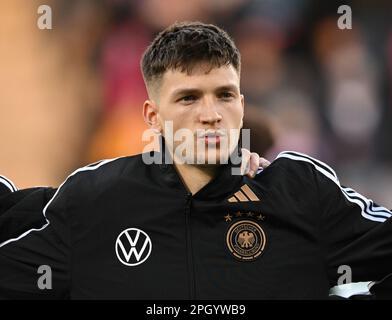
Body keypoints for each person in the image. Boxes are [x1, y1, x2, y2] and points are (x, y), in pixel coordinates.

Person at [0, 21, 391, 299]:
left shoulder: (302, 190)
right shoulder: (95, 199)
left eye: (224, 95)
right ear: (153, 116)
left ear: (241, 104)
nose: (211, 114)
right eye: (188, 98)